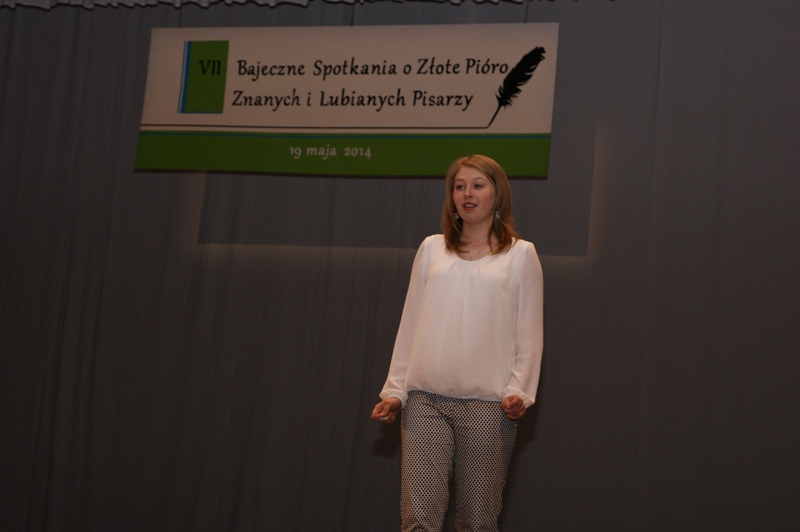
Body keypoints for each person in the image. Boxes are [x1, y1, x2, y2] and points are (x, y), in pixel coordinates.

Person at [371, 154, 544, 531]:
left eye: (477, 185)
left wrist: (520, 392)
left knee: (477, 521)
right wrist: (395, 390)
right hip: (424, 401)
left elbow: (529, 334)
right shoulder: (431, 249)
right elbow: (410, 323)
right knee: (417, 519)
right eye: (459, 186)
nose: (467, 194)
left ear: (497, 196)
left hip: (488, 407)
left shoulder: (520, 254)